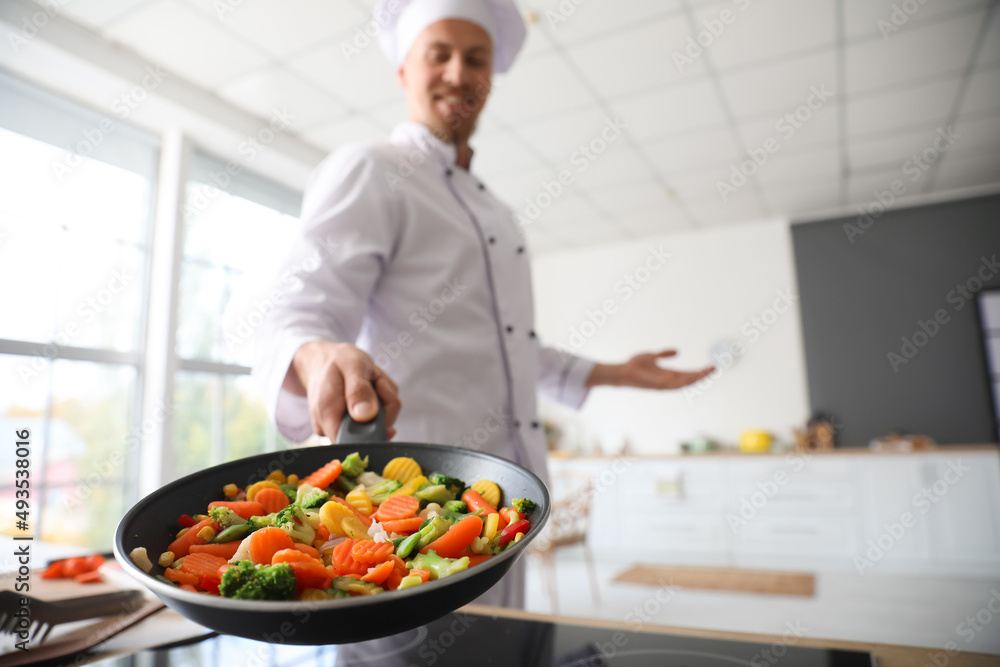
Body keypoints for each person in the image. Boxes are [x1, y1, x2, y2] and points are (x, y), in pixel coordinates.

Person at [253, 0, 713, 612]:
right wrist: (318, 354)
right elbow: (296, 308)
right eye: (437, 54)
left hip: (503, 509)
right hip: (414, 516)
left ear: (491, 76)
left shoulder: (496, 213)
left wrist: (613, 373)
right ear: (403, 72)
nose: (457, 72)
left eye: (476, 58)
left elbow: (508, 345)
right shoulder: (372, 169)